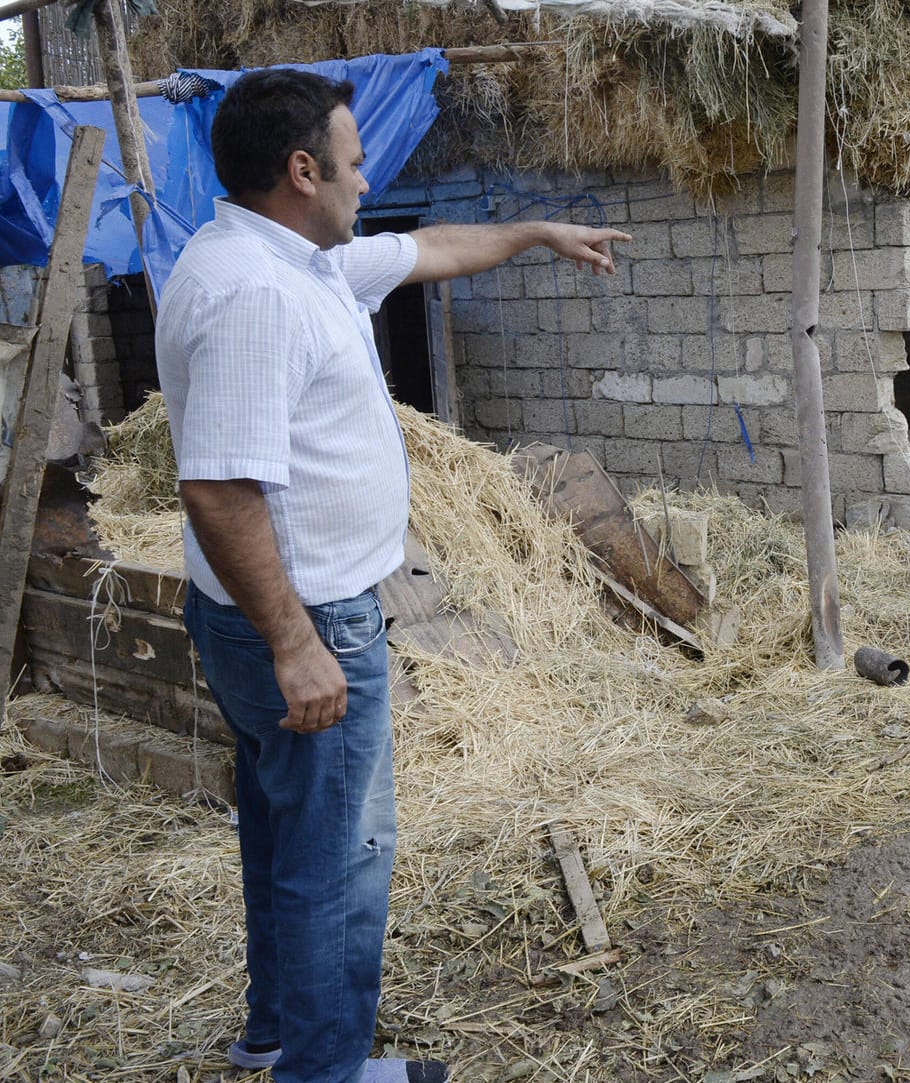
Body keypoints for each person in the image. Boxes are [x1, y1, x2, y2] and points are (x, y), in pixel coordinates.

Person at [154, 68, 630, 1083]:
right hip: (306, 621)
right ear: (300, 170)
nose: (368, 183)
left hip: (281, 612)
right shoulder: (251, 293)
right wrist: (296, 646)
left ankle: (277, 1032)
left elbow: (430, 251)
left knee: (285, 832)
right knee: (340, 862)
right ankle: (324, 1070)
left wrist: (540, 232)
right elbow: (219, 492)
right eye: (357, 163)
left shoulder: (298, 259)